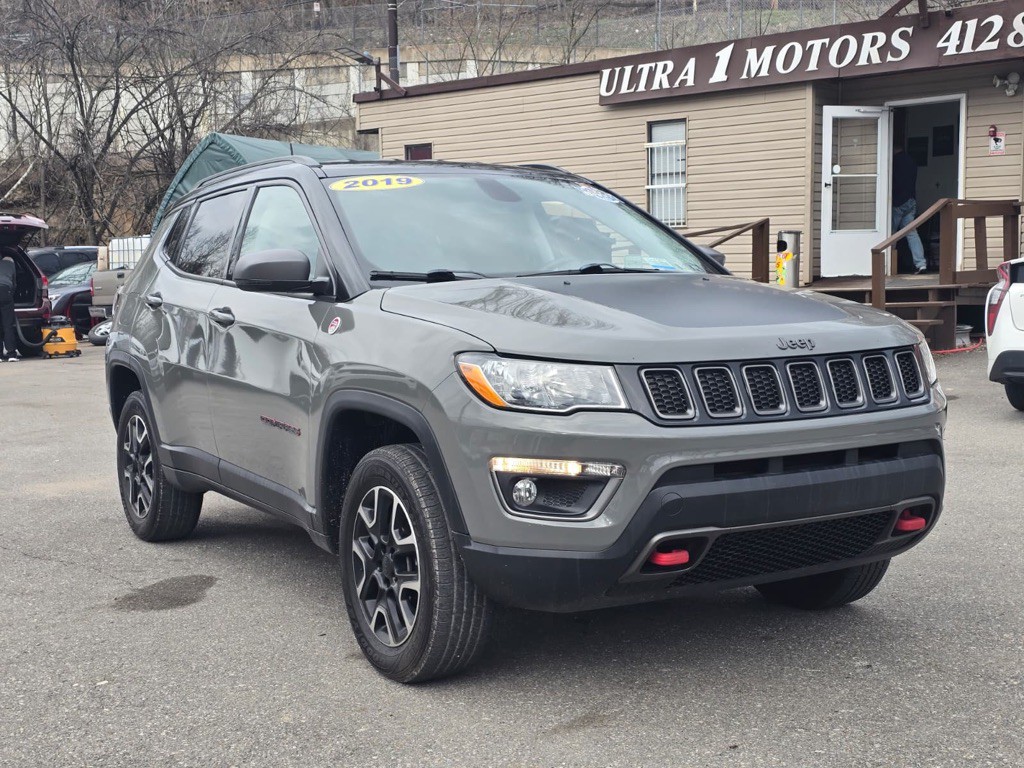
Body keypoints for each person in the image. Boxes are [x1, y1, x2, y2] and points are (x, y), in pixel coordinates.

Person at [892, 142, 928, 274]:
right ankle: (921, 263)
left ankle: (887, 265)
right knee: (912, 233)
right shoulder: (911, 161)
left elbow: (894, 182)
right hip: (911, 200)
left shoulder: (894, 161)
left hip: (897, 202)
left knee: (890, 235)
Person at [0, 254, 19, 362]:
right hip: (6, 292)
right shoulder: (10, 263)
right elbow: (14, 283)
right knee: (7, 325)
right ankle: (11, 354)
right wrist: (11, 294)